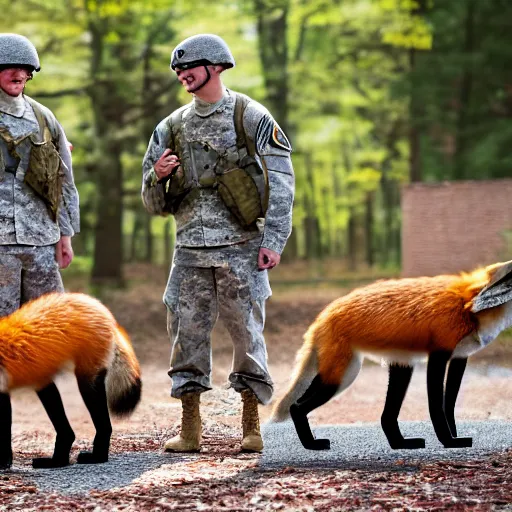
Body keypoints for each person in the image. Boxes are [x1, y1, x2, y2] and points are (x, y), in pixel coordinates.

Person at [141, 34, 295, 453]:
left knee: (247, 334)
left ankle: (251, 425)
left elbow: (281, 183)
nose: (182, 75)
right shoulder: (170, 127)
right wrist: (157, 174)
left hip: (242, 248)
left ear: (218, 66)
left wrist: (274, 239)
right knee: (186, 336)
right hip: (189, 251)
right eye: (177, 70)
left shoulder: (251, 115)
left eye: (189, 67)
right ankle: (190, 429)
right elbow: (153, 203)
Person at [0, 33, 80, 317]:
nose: (20, 73)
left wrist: (65, 235)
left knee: (50, 326)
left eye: (26, 69)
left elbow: (64, 179)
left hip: (41, 241)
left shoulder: (43, 117)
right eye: (10, 66)